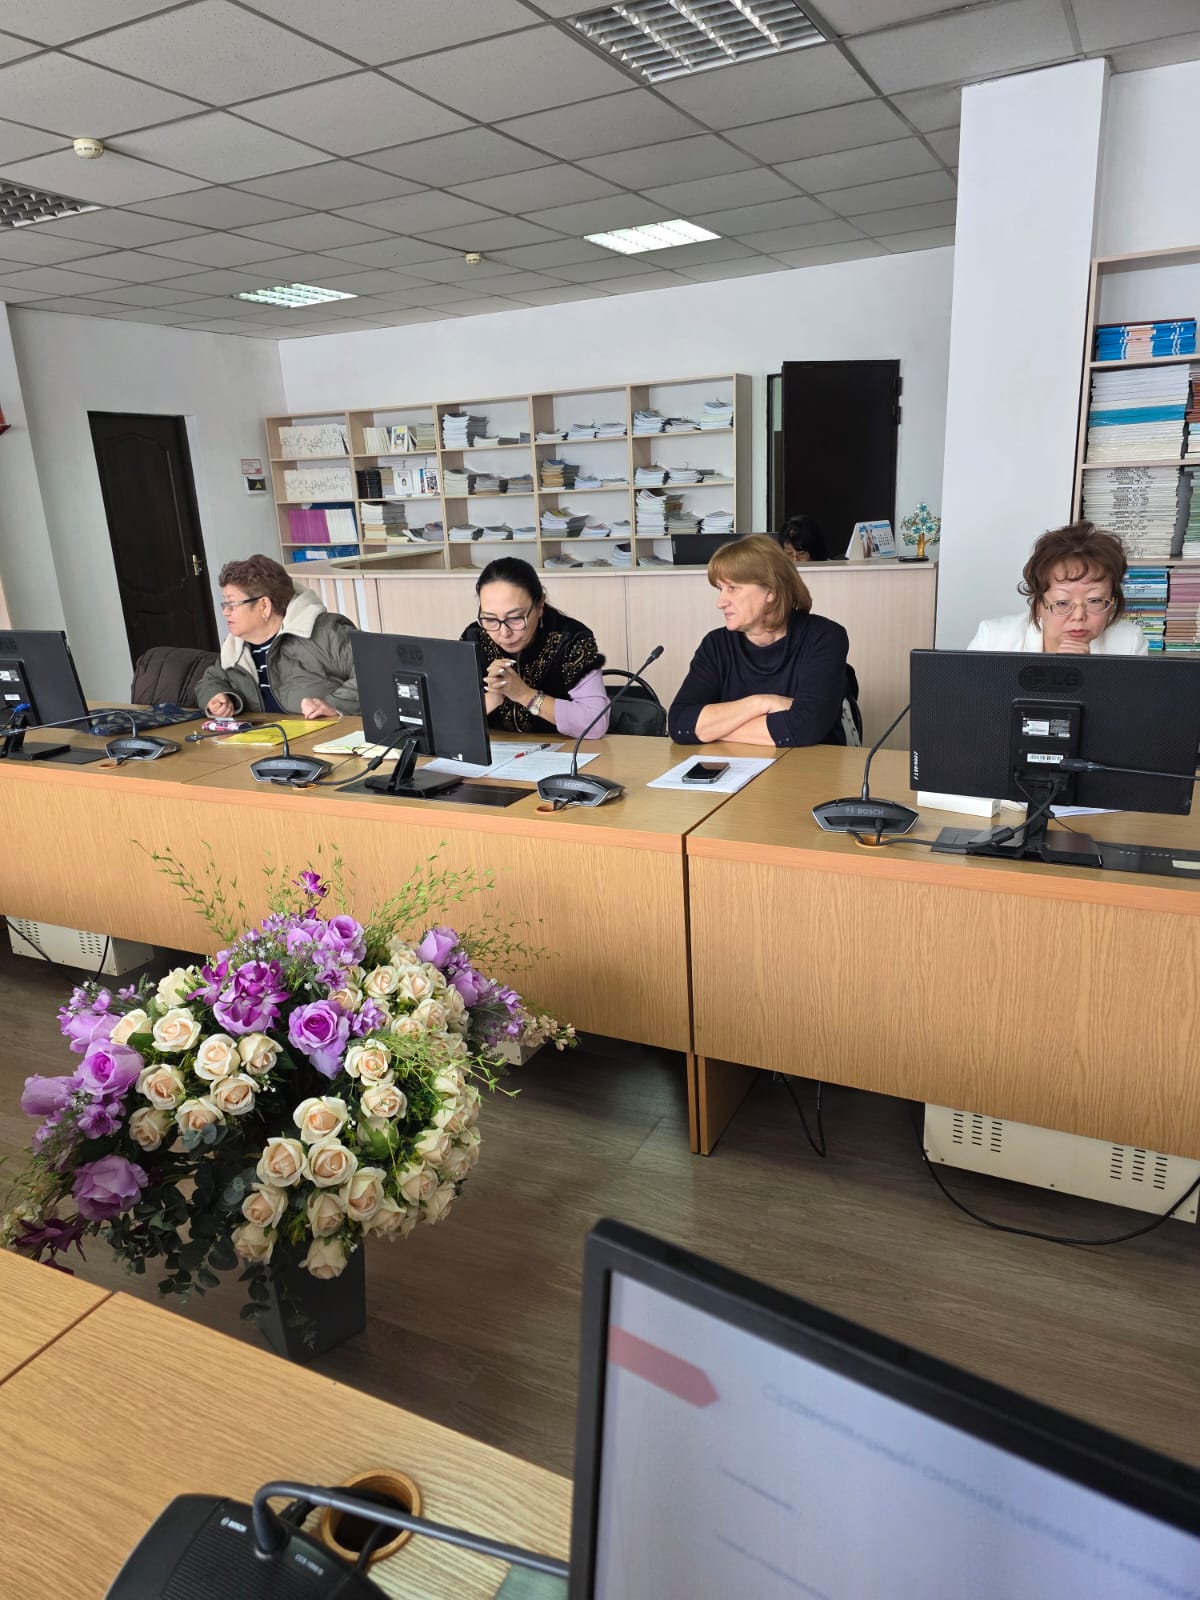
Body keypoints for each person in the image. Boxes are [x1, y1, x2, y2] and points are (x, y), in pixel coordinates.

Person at [669, 534, 850, 747]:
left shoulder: (824, 637)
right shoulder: (716, 644)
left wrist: (713, 729)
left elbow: (805, 727)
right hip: (735, 763)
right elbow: (680, 723)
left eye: (732, 588)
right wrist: (762, 703)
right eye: (720, 589)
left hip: (812, 764)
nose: (720, 602)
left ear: (770, 591)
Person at [195, 555, 360, 718]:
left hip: (329, 733)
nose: (225, 612)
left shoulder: (323, 631)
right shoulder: (235, 649)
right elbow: (210, 680)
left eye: (232, 604)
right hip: (264, 735)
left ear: (264, 606)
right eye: (225, 604)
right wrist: (216, 696)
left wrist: (334, 705)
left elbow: (372, 669)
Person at [460, 557, 610, 737]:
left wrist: (524, 694)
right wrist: (492, 698)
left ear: (539, 605)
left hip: (564, 749)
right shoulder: (474, 638)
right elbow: (447, 718)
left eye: (515, 618)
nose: (504, 633)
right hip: (498, 749)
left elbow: (596, 723)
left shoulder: (572, 640)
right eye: (490, 619)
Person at [968, 522, 1148, 656]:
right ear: (1039, 605)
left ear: (1112, 602)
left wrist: (1088, 672)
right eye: (1062, 603)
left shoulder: (1129, 643)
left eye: (1095, 601)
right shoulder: (993, 639)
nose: (1078, 616)